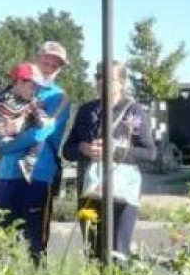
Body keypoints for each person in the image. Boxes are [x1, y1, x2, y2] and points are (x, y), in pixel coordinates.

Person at [0, 41, 72, 260]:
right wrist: (4, 131)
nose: (49, 67)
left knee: (35, 247)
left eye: (55, 64)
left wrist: (7, 141)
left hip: (38, 174)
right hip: (6, 174)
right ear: (37, 58)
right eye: (46, 60)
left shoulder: (58, 97)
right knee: (3, 245)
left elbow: (42, 134)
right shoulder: (14, 88)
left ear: (60, 69)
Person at [62, 61, 156, 261]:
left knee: (117, 254)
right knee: (94, 254)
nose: (102, 82)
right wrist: (83, 148)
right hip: (90, 190)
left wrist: (113, 152)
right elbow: (67, 151)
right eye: (98, 77)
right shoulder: (86, 111)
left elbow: (149, 153)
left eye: (109, 78)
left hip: (122, 192)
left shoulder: (134, 111)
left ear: (121, 83)